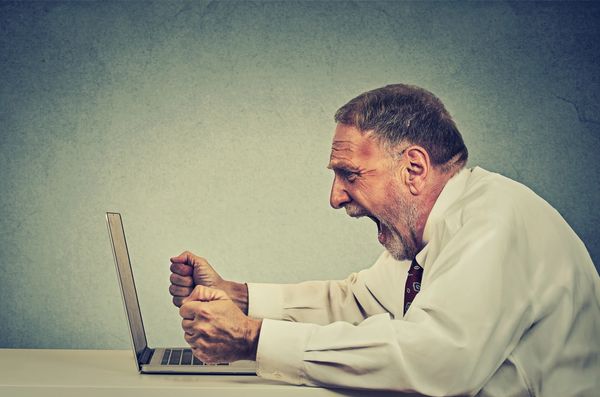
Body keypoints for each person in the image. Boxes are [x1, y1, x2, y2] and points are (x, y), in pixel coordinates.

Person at [169, 84, 600, 396]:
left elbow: (438, 360)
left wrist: (252, 338)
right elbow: (358, 302)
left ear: (414, 168)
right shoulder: (425, 233)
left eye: (350, 174)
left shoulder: (495, 221)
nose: (336, 198)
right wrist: (237, 297)